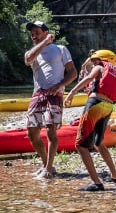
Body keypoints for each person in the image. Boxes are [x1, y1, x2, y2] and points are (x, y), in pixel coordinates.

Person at [63, 49, 116, 191]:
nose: (94, 64)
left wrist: (71, 93)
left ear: (102, 60)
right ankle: (115, 176)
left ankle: (97, 183)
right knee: (98, 143)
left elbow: (88, 78)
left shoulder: (100, 67)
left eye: (94, 61)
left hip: (95, 104)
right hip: (108, 108)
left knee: (80, 145)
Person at [24, 21, 77, 179]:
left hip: (55, 93)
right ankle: (47, 165)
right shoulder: (32, 52)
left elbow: (73, 73)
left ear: (46, 32)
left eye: (37, 33)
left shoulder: (60, 49)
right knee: (32, 132)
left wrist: (60, 85)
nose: (34, 36)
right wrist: (44, 42)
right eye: (32, 34)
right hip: (38, 93)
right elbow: (28, 59)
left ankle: (48, 168)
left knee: (50, 130)